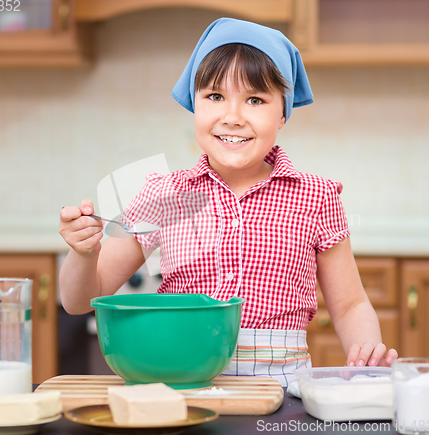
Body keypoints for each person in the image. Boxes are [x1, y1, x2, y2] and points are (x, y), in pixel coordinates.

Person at [59, 18, 398, 387]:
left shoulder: (316, 197)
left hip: (280, 391)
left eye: (255, 100)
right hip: (182, 386)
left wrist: (367, 354)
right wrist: (84, 253)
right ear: (195, 105)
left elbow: (350, 305)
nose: (232, 117)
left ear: (283, 113)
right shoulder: (163, 195)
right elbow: (81, 301)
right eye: (215, 97)